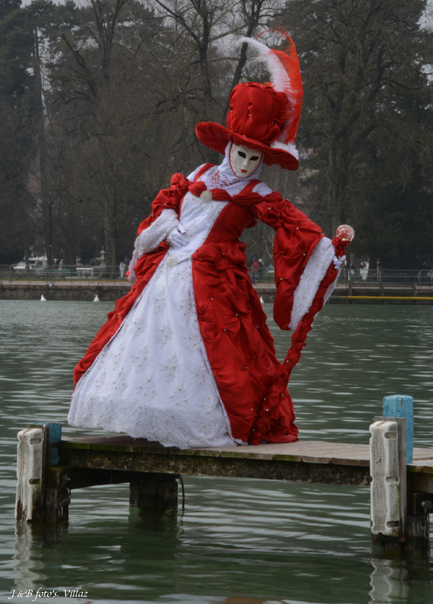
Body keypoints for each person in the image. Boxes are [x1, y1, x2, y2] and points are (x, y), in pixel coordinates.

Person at [68, 32, 352, 449]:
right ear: (229, 145)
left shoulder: (257, 194)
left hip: (215, 286)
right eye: (242, 153)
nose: (246, 164)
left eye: (256, 158)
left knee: (218, 358)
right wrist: (167, 223)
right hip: (166, 277)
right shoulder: (199, 174)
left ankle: (203, 424)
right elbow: (166, 200)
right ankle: (148, 419)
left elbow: (295, 226)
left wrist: (329, 247)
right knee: (150, 344)